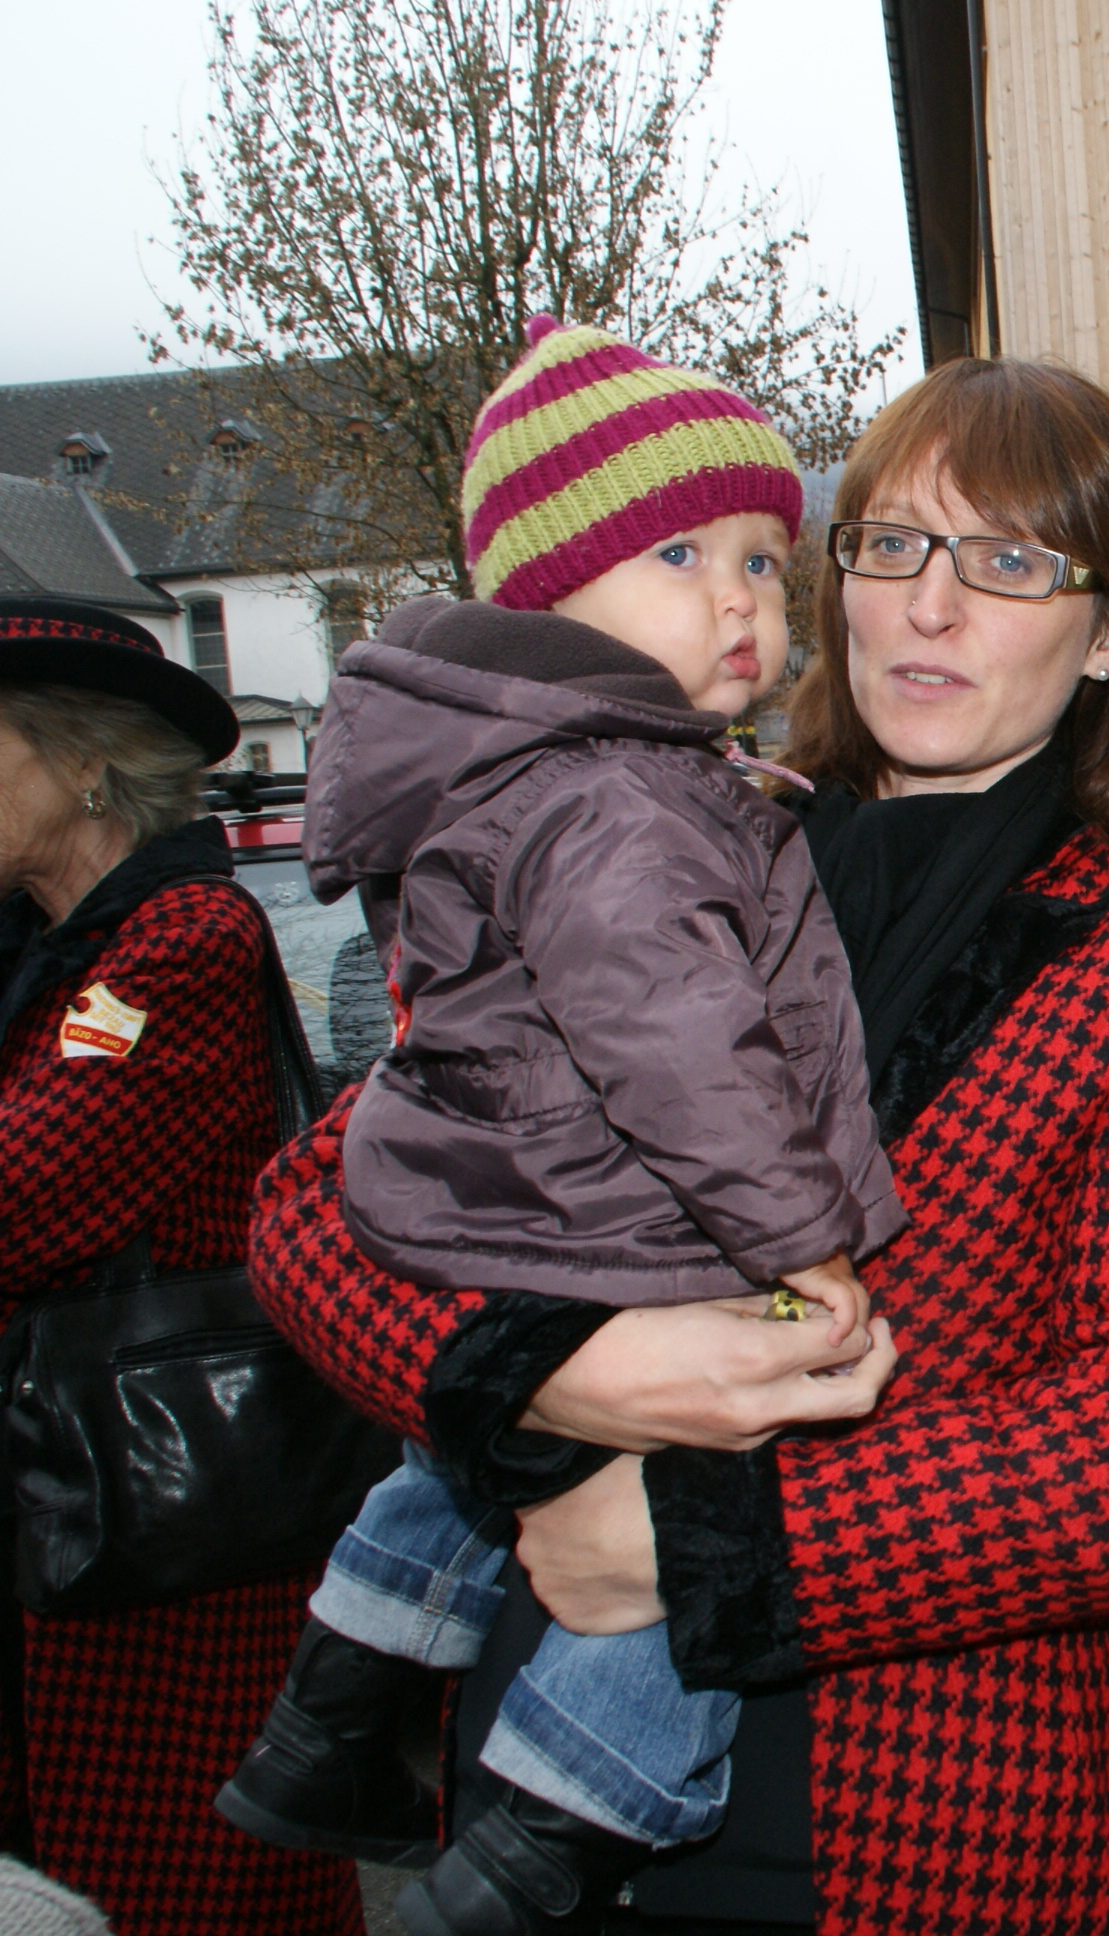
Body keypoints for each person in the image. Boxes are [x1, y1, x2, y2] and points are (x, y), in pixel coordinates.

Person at [245, 356, 1109, 1935]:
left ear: (1107, 637)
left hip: (916, 1806)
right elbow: (315, 1200)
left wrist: (707, 1546)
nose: (929, 606)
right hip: (523, 1739)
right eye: (892, 544)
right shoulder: (651, 829)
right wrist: (535, 1369)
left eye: (1012, 562)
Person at [217, 320, 905, 1929]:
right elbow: (686, 1046)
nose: (742, 603)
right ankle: (553, 1828)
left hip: (493, 1199)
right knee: (697, 1509)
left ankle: (333, 1710)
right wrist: (801, 1236)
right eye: (680, 555)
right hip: (625, 1211)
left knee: (450, 1466)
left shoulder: (562, 771)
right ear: (545, 592)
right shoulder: (616, 794)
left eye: (763, 559)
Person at [0, 598, 363, 1934]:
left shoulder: (178, 943)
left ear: (84, 759)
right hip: (68, 1503)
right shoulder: (43, 949)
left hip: (167, 1516)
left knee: (187, 1888)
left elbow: (25, 1197)